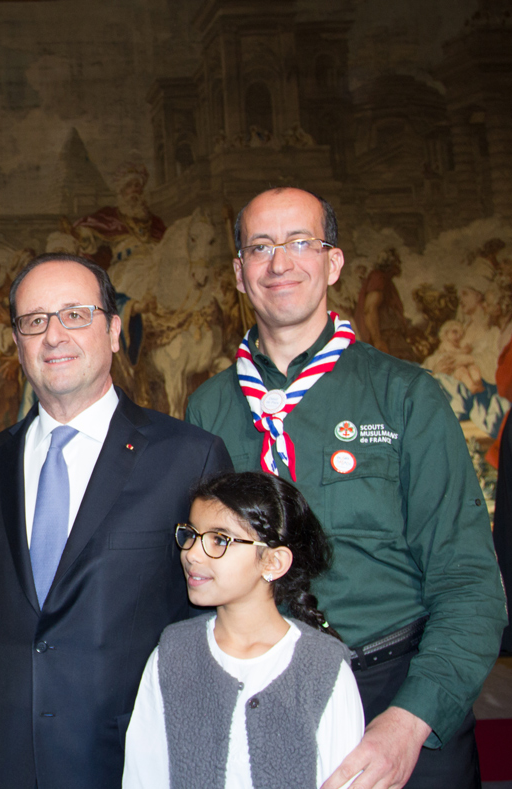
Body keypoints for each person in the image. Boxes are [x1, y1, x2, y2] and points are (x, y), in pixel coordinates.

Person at [186, 187, 505, 789]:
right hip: (260, 700)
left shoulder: (407, 396)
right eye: (261, 247)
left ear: (333, 262)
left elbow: (469, 583)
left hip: (395, 694)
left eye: (300, 242)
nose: (280, 262)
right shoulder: (205, 411)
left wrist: (411, 722)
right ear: (238, 272)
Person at [0, 253, 232, 789]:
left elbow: (221, 619)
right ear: (18, 343)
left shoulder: (189, 458)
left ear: (114, 331)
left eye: (75, 315)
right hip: (8, 761)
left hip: (136, 758)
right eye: (34, 321)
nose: (53, 335)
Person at [122, 472, 365, 789]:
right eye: (192, 534)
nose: (193, 553)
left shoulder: (324, 667)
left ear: (273, 562)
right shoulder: (172, 654)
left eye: (219, 540)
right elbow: (143, 776)